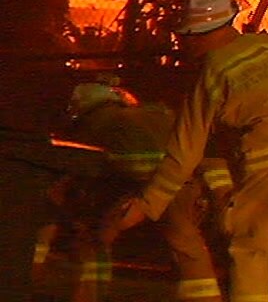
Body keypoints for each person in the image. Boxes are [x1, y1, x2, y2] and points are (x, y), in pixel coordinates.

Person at [110, 0, 268, 302]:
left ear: (195, 34)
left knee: (251, 247)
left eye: (185, 37)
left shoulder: (214, 70)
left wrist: (146, 206)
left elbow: (185, 149)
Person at [34, 79, 225, 302]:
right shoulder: (158, 116)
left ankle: (89, 295)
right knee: (185, 243)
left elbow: (84, 169)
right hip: (175, 184)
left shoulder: (94, 122)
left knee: (95, 238)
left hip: (127, 186)